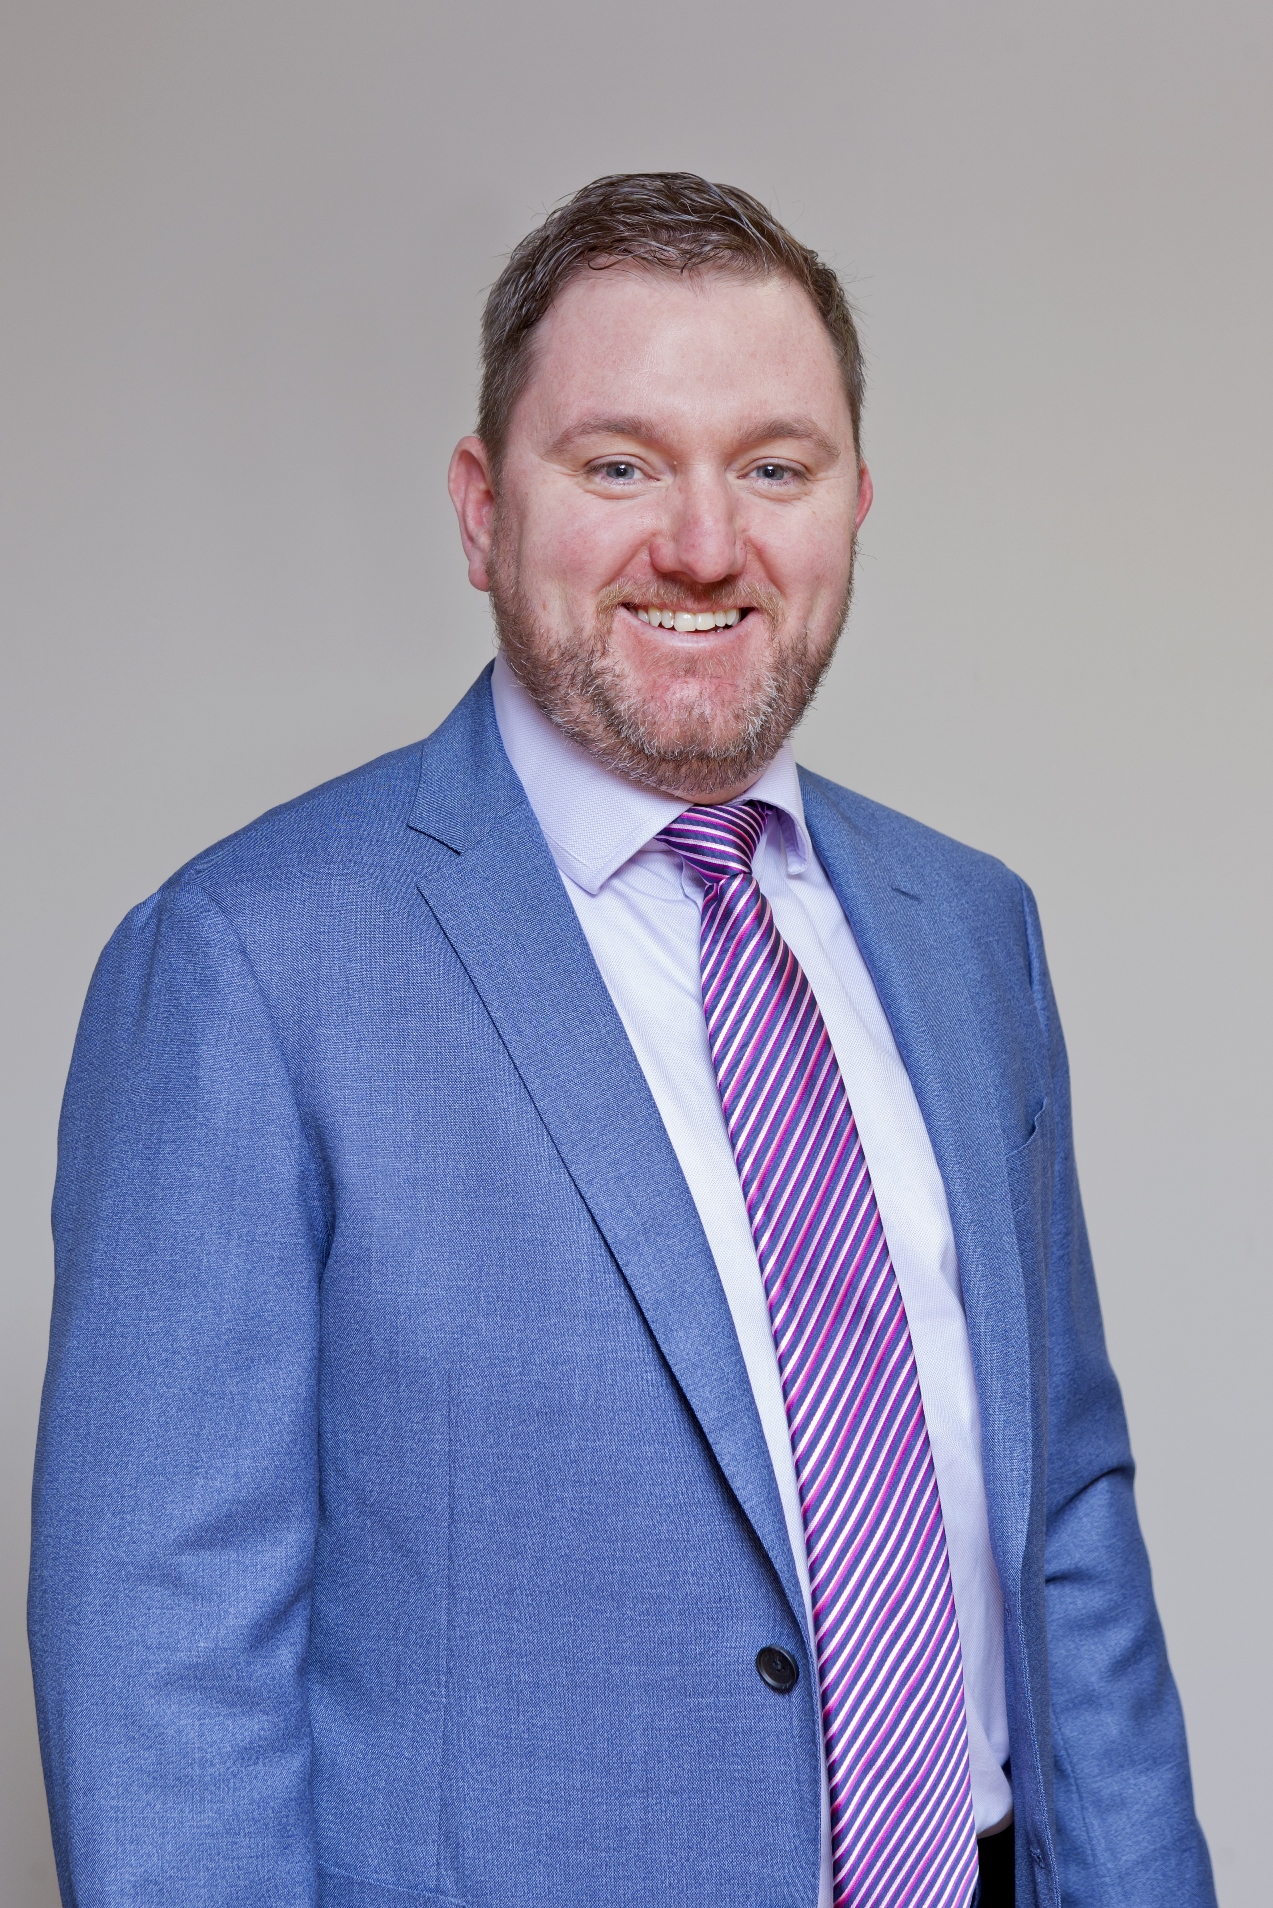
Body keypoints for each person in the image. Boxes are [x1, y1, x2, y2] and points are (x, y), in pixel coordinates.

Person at [29, 172, 1214, 1908]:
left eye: (774, 468)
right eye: (618, 466)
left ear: (856, 504)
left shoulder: (970, 933)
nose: (705, 544)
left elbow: (1068, 1528)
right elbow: (161, 1667)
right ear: (478, 509)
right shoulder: (246, 965)